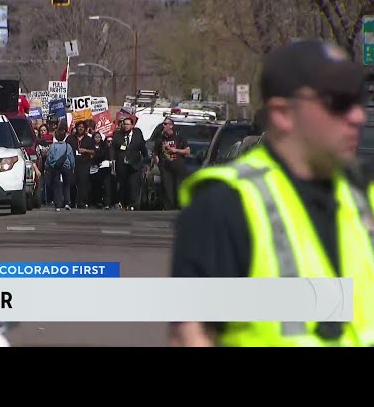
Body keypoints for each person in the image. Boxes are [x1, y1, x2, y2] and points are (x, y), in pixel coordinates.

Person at [171, 39, 374, 347]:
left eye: (358, 100)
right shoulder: (225, 204)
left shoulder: (364, 195)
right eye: (338, 102)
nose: (358, 116)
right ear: (282, 113)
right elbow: (193, 334)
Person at [112, 117, 148, 210]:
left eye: (127, 124)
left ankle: (132, 204)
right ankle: (122, 203)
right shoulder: (117, 134)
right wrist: (113, 160)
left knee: (133, 184)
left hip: (135, 163)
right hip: (122, 164)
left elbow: (142, 146)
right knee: (123, 184)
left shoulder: (138, 133)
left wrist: (146, 158)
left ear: (132, 125)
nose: (125, 126)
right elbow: (114, 147)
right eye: (124, 124)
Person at [154, 118, 190, 210]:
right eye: (163, 124)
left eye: (166, 124)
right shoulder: (160, 138)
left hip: (178, 166)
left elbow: (187, 152)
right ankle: (169, 208)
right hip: (165, 167)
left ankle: (180, 207)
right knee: (167, 189)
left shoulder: (179, 136)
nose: (164, 126)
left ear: (171, 126)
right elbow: (156, 153)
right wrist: (159, 165)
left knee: (179, 187)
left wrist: (175, 150)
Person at [46, 129, 75, 212]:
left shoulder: (53, 146)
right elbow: (71, 158)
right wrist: (73, 166)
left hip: (56, 167)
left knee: (57, 186)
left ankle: (58, 205)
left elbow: (49, 157)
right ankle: (67, 203)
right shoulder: (67, 146)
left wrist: (48, 166)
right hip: (66, 167)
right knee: (66, 185)